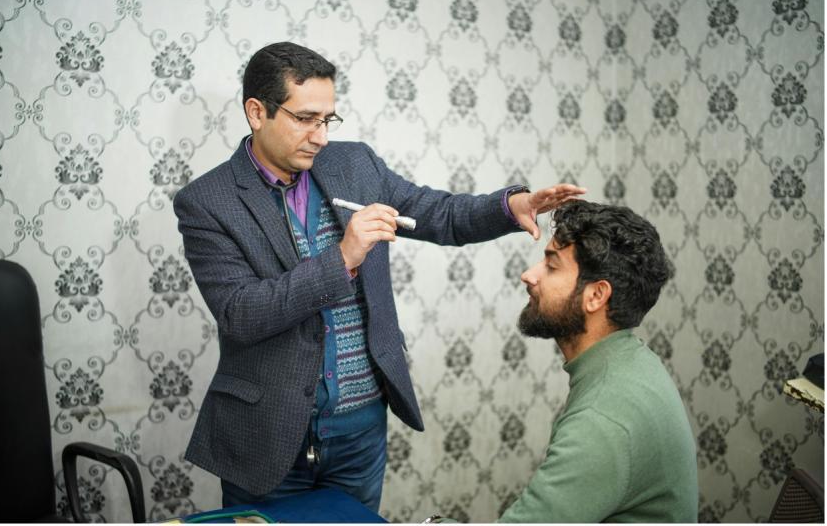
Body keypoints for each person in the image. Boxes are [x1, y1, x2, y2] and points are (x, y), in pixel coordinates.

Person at [172, 41, 586, 511]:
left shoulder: (355, 163)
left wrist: (510, 207)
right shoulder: (207, 202)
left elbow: (439, 213)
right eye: (305, 118)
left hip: (360, 431)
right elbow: (241, 313)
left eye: (327, 119)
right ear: (256, 112)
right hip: (266, 433)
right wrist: (343, 257)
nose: (320, 136)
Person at [497, 200, 698, 523]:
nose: (528, 276)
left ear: (595, 296)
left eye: (551, 265)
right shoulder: (632, 359)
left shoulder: (601, 420)